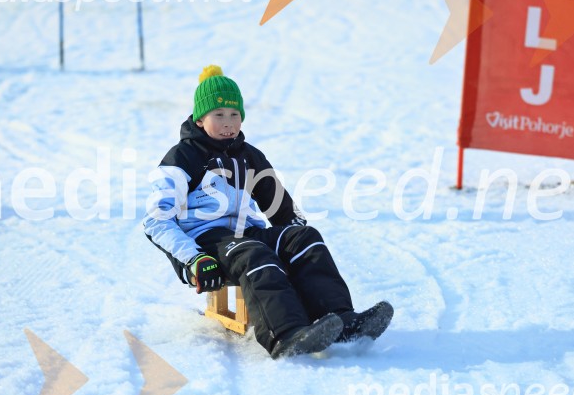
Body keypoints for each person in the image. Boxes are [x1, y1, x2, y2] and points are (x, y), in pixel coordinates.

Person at [143, 65, 393, 359]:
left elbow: (277, 201)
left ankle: (341, 319)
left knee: (305, 240)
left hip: (245, 233)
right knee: (253, 252)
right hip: (205, 241)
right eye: (219, 115)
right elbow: (156, 221)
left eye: (234, 114)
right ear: (200, 119)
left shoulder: (247, 155)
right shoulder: (183, 156)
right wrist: (194, 260)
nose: (228, 123)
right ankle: (285, 333)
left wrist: (294, 231)